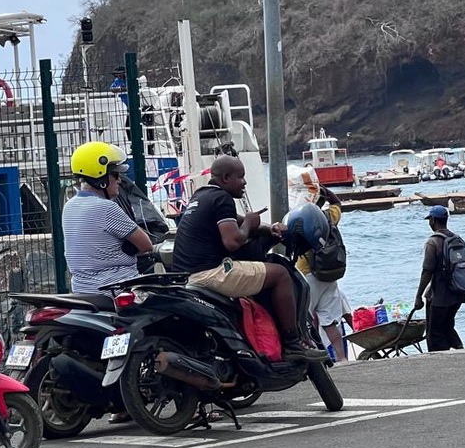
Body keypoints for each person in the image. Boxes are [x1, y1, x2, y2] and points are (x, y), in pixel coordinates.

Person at [171, 156, 329, 362]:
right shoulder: (222, 199)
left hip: (188, 275)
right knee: (280, 275)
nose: (245, 182)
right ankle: (293, 343)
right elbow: (233, 241)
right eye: (241, 177)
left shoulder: (202, 196)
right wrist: (248, 224)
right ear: (226, 178)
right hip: (210, 273)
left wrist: (268, 228)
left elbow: (237, 222)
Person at [62, 142, 153, 294]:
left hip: (83, 291)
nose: (119, 180)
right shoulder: (106, 208)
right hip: (116, 289)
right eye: (116, 175)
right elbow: (146, 245)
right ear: (100, 177)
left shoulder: (69, 206)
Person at [294, 186, 351, 362]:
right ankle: (342, 359)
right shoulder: (328, 217)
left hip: (308, 275)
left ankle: (312, 359)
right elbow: (337, 202)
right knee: (329, 322)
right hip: (329, 274)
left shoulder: (299, 221)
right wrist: (322, 189)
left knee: (303, 321)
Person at [413, 206, 465, 351]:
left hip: (440, 295)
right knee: (448, 325)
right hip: (458, 292)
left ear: (434, 220)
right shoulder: (457, 238)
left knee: (435, 332)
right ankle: (460, 350)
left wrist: (418, 297)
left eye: (430, 220)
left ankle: (440, 362)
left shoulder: (433, 242)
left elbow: (427, 271)